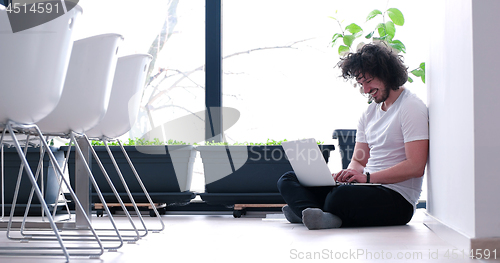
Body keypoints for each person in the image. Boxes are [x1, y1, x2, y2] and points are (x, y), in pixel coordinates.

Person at [277, 43, 429, 230]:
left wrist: (366, 179)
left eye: (369, 81)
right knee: (288, 179)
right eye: (360, 83)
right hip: (367, 187)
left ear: (386, 73)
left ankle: (306, 209)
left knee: (339, 197)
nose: (365, 90)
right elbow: (359, 160)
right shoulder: (369, 114)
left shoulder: (411, 107)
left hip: (397, 198)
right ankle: (316, 214)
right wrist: (347, 176)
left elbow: (416, 166)